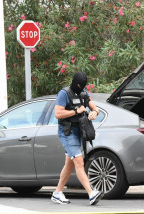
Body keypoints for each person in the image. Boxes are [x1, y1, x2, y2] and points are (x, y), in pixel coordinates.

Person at [51, 71, 103, 205]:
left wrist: (94, 112)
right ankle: (91, 193)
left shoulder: (84, 93)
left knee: (69, 164)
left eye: (83, 85)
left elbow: (93, 106)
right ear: (75, 82)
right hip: (67, 132)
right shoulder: (64, 93)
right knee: (79, 162)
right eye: (79, 85)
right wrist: (75, 111)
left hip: (79, 131)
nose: (81, 87)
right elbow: (57, 113)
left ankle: (57, 193)